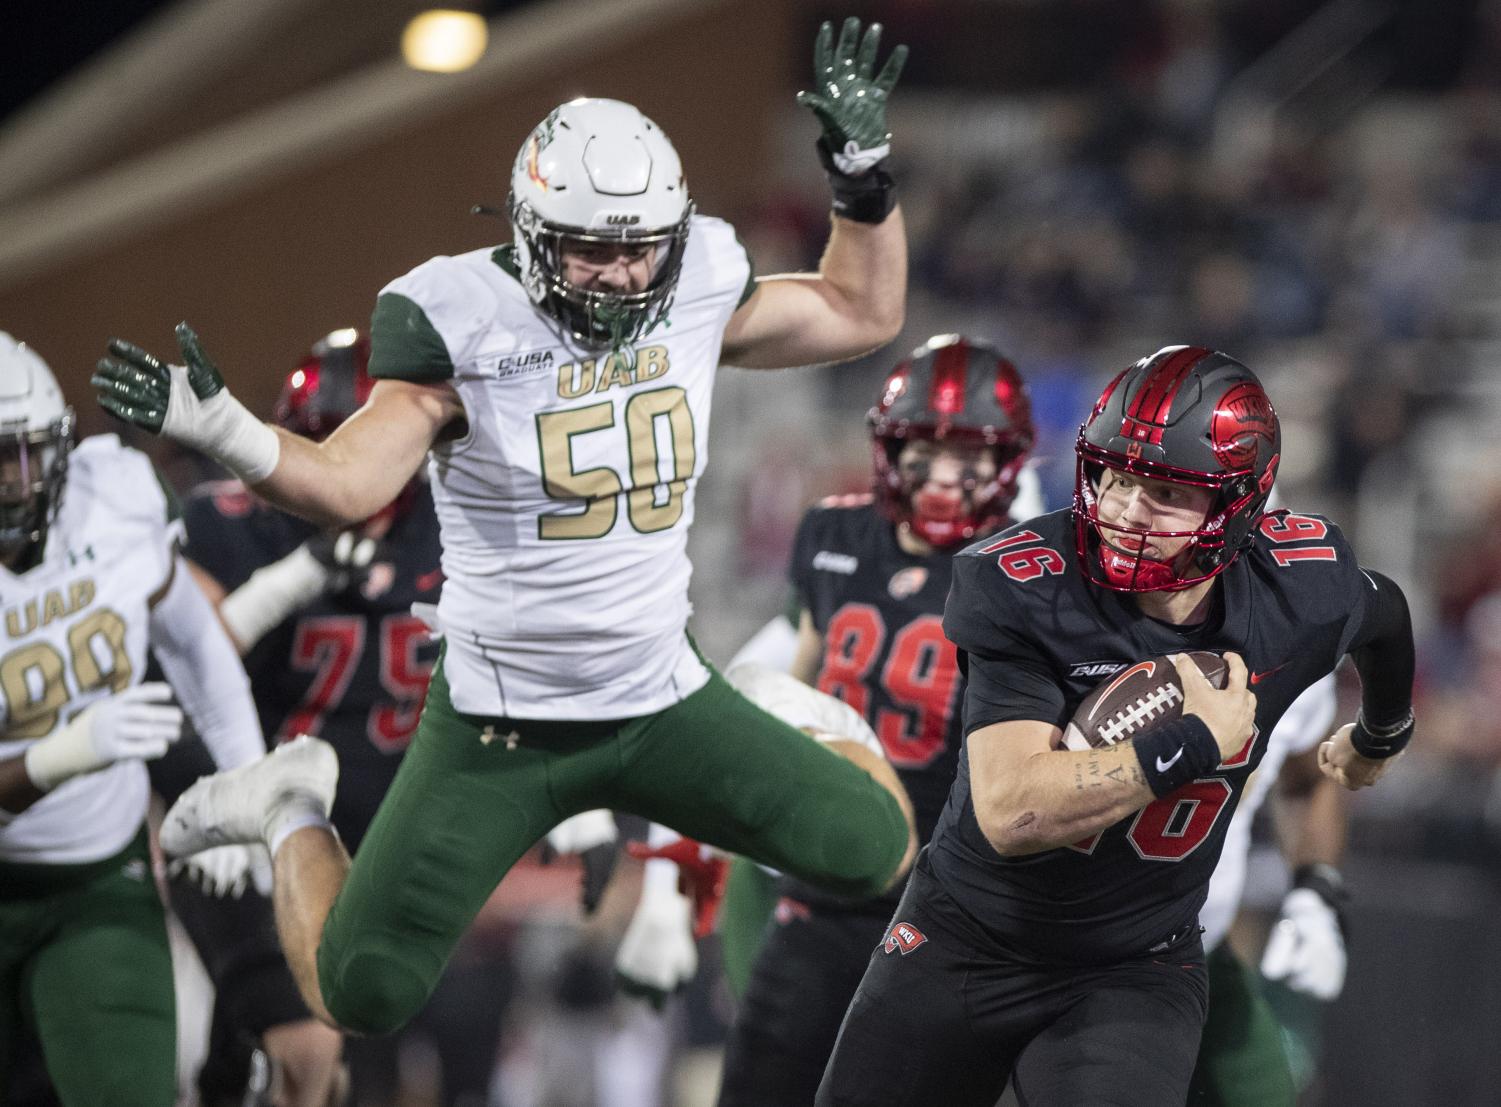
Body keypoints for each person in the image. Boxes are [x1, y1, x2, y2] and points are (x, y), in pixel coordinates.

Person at [91, 16, 919, 1039]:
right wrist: (223, 428)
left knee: (871, 844)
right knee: (362, 992)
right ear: (529, 231)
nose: (621, 275)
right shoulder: (461, 316)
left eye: (638, 250)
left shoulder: (700, 279)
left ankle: (783, 703)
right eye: (589, 250)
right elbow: (347, 483)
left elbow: (858, 311)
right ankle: (287, 803)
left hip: (662, 695)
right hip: (501, 725)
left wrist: (863, 178)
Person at [815, 345, 1416, 1106]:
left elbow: (1384, 611)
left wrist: (1380, 732)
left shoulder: (1297, 588)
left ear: (1235, 501)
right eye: (1116, 475)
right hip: (966, 935)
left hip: (1135, 964)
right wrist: (1192, 740)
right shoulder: (1025, 582)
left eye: (1166, 491)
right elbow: (1012, 811)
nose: (1128, 510)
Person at [717, 334, 1035, 1105]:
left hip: (943, 899)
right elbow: (801, 676)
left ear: (1008, 463)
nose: (943, 476)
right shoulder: (832, 532)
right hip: (823, 876)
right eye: (924, 451)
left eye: (969, 456)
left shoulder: (1025, 569)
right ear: (889, 448)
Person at [0, 333, 264, 1106]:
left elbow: (195, 644)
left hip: (97, 881)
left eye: (32, 453)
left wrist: (249, 781)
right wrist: (62, 755)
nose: (20, 483)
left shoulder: (112, 496)